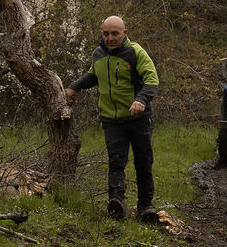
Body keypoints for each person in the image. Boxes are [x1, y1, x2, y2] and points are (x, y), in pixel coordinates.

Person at [64, 15, 161, 221]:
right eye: (106, 34)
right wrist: (74, 87)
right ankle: (116, 203)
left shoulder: (136, 52)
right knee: (116, 161)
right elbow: (93, 76)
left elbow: (152, 80)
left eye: (115, 33)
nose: (110, 38)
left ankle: (146, 206)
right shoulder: (98, 54)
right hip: (111, 120)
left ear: (125, 33)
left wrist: (141, 100)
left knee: (143, 161)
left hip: (138, 118)